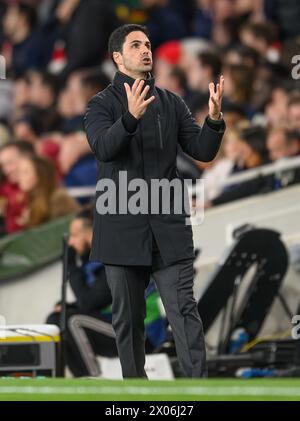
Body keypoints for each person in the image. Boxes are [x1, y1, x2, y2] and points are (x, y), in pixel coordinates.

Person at [83, 24, 225, 378]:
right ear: (118, 57)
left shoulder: (171, 102)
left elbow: (202, 151)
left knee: (184, 312)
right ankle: (137, 395)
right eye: (136, 45)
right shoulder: (100, 105)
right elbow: (104, 147)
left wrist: (214, 119)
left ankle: (199, 390)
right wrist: (130, 118)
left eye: (148, 44)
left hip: (168, 227)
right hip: (121, 227)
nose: (146, 50)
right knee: (129, 322)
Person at [46, 208, 166, 377]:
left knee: (71, 321)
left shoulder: (114, 253)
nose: (71, 243)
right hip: (117, 322)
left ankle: (92, 383)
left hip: (142, 333)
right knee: (55, 321)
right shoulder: (98, 259)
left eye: (74, 235)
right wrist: (67, 305)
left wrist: (71, 265)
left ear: (90, 232)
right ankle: (75, 383)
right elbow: (99, 299)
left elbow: (90, 302)